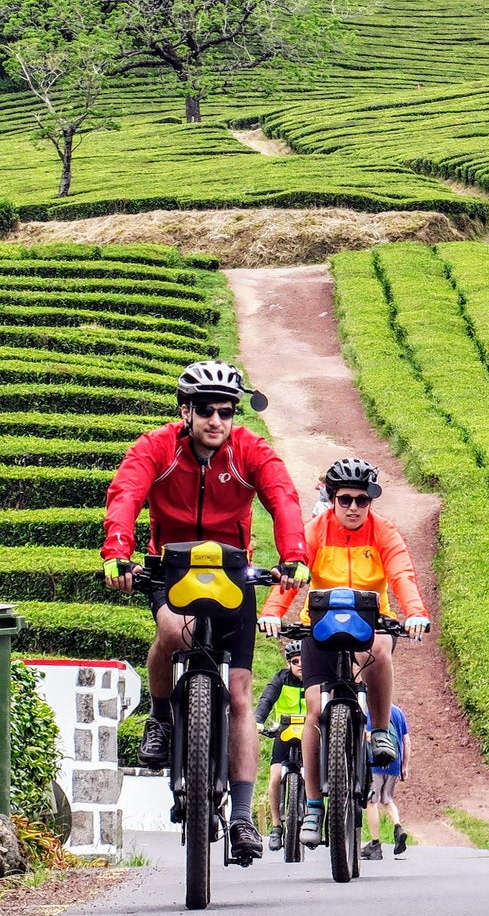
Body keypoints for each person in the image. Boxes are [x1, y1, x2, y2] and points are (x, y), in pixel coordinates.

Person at [101, 360, 308, 864]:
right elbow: (126, 493)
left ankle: (240, 815)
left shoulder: (250, 451)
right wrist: (117, 552)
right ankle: (160, 715)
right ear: (185, 411)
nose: (217, 421)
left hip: (234, 573)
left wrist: (294, 556)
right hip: (171, 570)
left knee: (239, 693)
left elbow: (281, 496)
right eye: (206, 410)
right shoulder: (155, 448)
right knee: (171, 630)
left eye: (226, 412)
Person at [259, 457, 429, 849]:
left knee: (381, 653)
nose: (353, 507)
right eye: (345, 500)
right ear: (331, 499)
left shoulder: (384, 532)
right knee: (315, 711)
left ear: (370, 501)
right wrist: (272, 613)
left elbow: (402, 575)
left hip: (370, 623)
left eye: (361, 500)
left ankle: (381, 731)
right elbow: (294, 572)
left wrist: (415, 613)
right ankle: (315, 805)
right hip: (318, 626)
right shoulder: (315, 531)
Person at [256, 640, 307, 851]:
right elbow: (267, 699)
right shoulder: (281, 679)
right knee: (275, 777)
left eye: (304, 661)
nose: (300, 665)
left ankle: (314, 815)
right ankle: (277, 827)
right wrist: (258, 720)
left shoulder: (315, 681)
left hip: (310, 736)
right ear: (289, 664)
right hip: (284, 734)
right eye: (295, 662)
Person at [362, 703, 410, 860]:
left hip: (375, 761)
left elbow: (367, 735)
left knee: (372, 801)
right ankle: (398, 827)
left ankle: (375, 845)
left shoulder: (370, 710)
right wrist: (404, 766)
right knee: (387, 800)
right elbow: (406, 741)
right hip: (394, 762)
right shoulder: (398, 712)